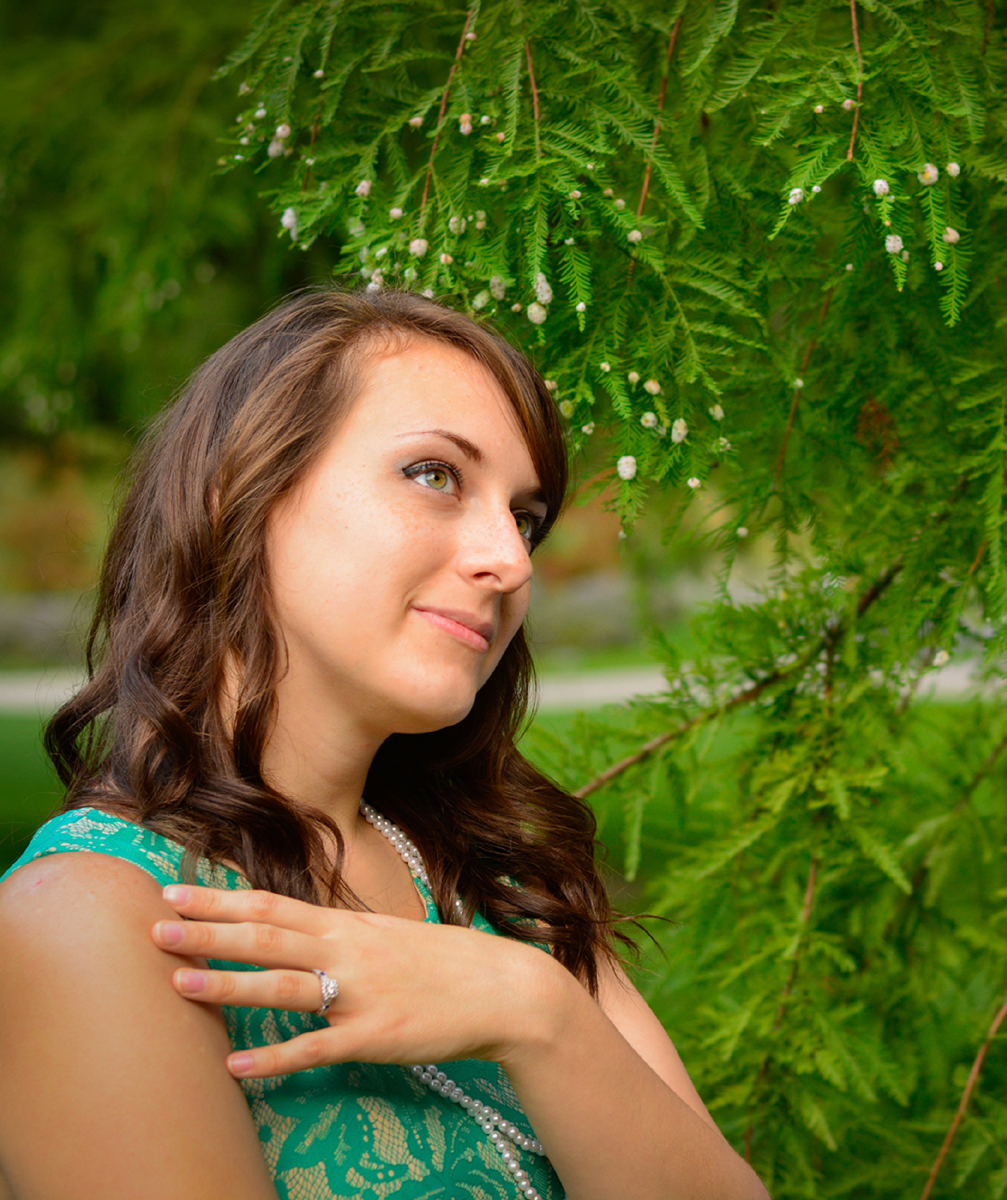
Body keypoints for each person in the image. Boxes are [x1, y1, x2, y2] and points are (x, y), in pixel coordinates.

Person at [0, 290, 769, 1200]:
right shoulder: (89, 918)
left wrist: (539, 1014)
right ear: (239, 490)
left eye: (524, 517)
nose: (512, 561)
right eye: (435, 474)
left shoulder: (497, 885)